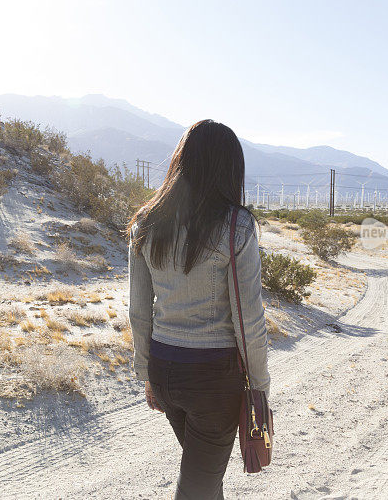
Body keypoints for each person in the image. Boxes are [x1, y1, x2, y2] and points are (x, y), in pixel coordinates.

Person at [127, 119, 271, 499]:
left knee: (203, 475)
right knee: (199, 484)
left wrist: (146, 373)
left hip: (164, 370)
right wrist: (259, 385)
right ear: (230, 168)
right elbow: (249, 320)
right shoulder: (236, 225)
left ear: (181, 160)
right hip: (213, 380)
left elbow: (139, 311)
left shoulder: (146, 220)